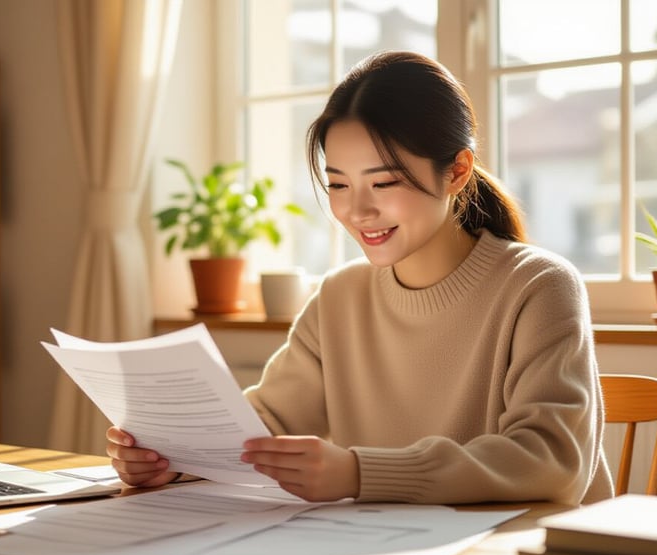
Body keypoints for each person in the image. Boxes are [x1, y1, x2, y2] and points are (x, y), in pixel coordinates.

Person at [107, 50, 614, 505]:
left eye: (384, 181)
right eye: (339, 184)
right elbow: (261, 430)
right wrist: (170, 458)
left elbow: (551, 460)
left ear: (457, 171)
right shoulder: (339, 297)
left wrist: (359, 473)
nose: (357, 210)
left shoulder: (539, 286)